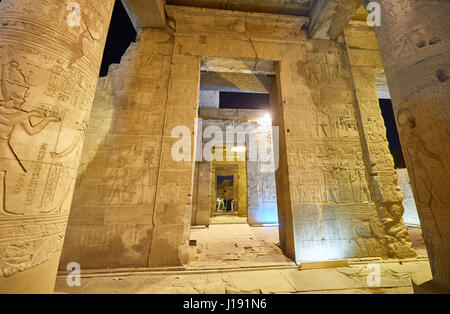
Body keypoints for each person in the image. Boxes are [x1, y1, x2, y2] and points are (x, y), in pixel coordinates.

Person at [0, 61, 61, 215]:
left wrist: (47, 119)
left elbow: (32, 131)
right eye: (21, 99)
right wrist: (29, 114)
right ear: (12, 98)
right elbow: (7, 121)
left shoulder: (21, 113)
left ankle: (2, 208)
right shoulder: (12, 112)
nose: (23, 101)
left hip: (3, 145)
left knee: (9, 172)